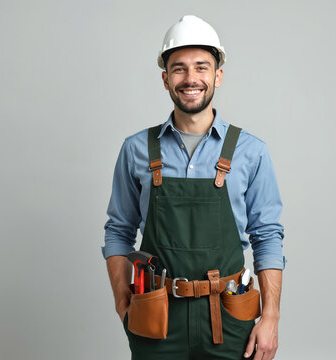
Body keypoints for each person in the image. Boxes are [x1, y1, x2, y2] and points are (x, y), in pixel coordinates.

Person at [103, 15, 286, 360]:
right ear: (165, 79)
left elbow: (268, 235)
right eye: (179, 69)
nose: (191, 79)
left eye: (202, 67)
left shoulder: (251, 151)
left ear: (217, 75)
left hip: (230, 318)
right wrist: (121, 301)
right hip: (155, 316)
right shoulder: (136, 149)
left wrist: (272, 316)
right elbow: (118, 230)